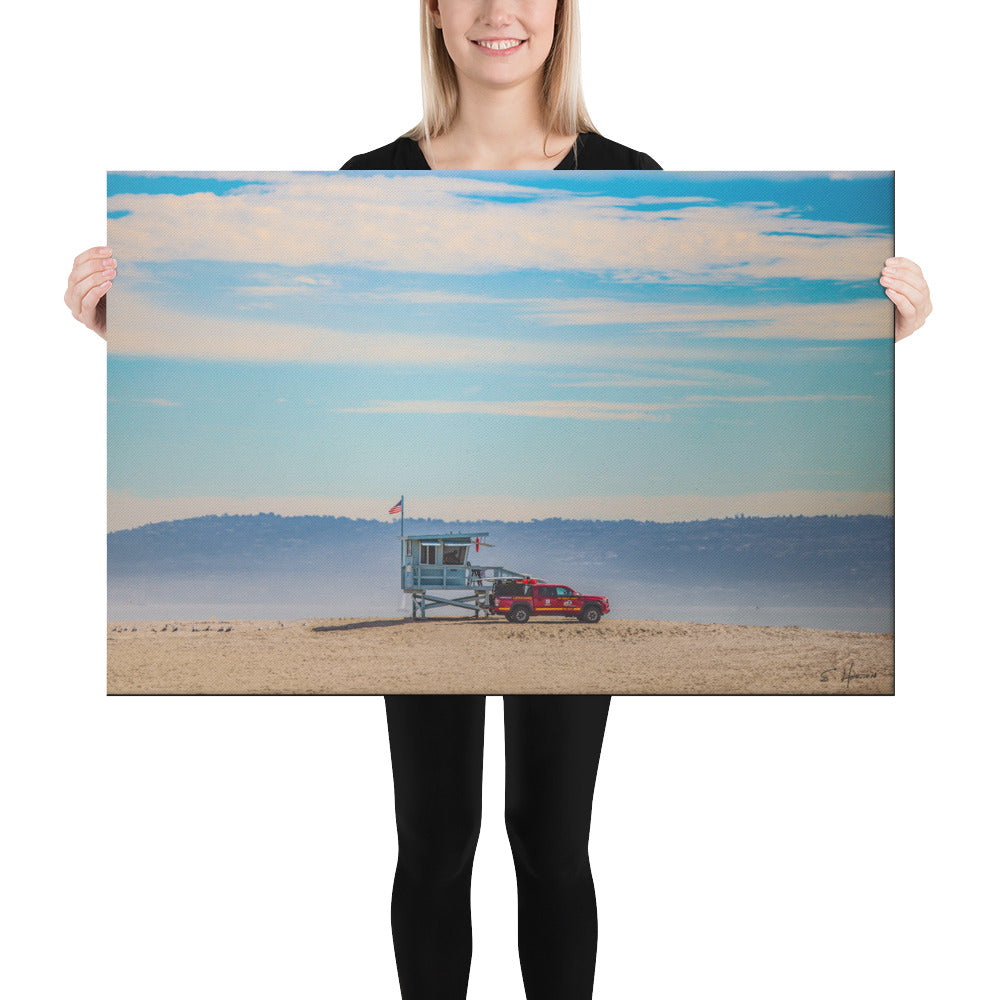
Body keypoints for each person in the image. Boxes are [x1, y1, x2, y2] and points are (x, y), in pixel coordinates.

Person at [64, 2, 932, 998]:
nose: (497, 12)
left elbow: (724, 386)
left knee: (552, 843)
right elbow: (303, 376)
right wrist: (136, 334)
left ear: (562, 12)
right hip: (451, 538)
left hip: (572, 550)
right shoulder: (367, 187)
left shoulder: (630, 183)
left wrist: (870, 342)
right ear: (432, 12)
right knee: (436, 842)